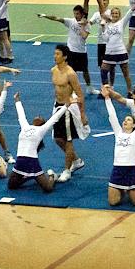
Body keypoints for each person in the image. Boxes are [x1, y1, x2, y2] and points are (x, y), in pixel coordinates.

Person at [102, 84, 135, 206]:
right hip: (117, 169)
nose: (125, 121)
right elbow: (112, 116)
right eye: (125, 120)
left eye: (129, 120)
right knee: (113, 202)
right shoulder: (118, 133)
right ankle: (123, 189)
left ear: (133, 125)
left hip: (131, 170)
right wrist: (107, 98)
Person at [7, 93, 68, 192]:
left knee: (48, 188)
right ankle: (29, 176)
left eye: (41, 117)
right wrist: (17, 100)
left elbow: (55, 118)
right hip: (20, 161)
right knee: (11, 186)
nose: (38, 116)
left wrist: (67, 105)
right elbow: (21, 115)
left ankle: (52, 176)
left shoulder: (41, 130)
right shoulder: (25, 126)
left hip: (32, 161)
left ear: (43, 123)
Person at [50, 44, 89, 183]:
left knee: (68, 139)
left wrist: (82, 114)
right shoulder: (53, 70)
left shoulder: (70, 73)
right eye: (54, 54)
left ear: (65, 57)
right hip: (58, 107)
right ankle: (76, 160)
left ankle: (67, 170)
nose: (55, 56)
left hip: (68, 109)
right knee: (58, 139)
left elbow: (80, 94)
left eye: (58, 54)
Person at [38, 6, 94, 95]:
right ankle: (72, 90)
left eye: (77, 14)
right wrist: (45, 16)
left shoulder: (87, 25)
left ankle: (89, 88)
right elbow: (57, 18)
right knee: (71, 71)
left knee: (85, 71)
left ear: (82, 14)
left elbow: (84, 36)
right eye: (74, 13)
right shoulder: (71, 21)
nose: (76, 15)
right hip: (71, 51)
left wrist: (83, 25)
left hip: (82, 51)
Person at [100, 6, 135, 96]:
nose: (114, 15)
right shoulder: (107, 24)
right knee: (103, 70)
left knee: (126, 73)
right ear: (111, 14)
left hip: (121, 51)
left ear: (119, 15)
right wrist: (103, 28)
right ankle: (106, 91)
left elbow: (130, 11)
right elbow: (105, 39)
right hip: (109, 52)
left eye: (116, 13)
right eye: (113, 13)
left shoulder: (122, 22)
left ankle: (130, 92)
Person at [89, 0, 111, 70]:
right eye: (102, 0)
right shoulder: (96, 14)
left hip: (110, 41)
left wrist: (105, 18)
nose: (103, 2)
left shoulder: (111, 13)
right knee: (101, 64)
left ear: (108, 3)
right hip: (100, 41)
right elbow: (90, 23)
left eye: (105, 0)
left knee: (110, 63)